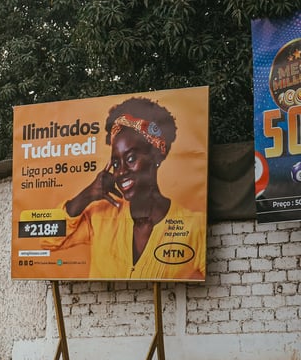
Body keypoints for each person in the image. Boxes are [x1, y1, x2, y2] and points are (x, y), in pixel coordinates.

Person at [53, 97, 205, 280]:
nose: (121, 172)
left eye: (131, 159)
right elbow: (49, 240)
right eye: (116, 163)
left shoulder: (193, 227)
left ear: (156, 156)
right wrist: (87, 195)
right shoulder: (101, 217)